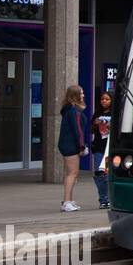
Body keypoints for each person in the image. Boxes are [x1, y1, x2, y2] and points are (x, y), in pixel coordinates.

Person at [57, 84, 90, 212]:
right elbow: (78, 131)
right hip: (71, 146)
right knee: (72, 174)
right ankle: (66, 202)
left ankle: (69, 201)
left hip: (67, 145)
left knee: (71, 174)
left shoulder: (69, 110)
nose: (83, 95)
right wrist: (82, 146)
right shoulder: (74, 112)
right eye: (81, 93)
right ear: (75, 96)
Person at [90, 90, 113, 209]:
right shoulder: (97, 113)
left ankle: (107, 199)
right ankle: (103, 199)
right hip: (99, 146)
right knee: (99, 173)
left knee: (106, 173)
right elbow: (91, 129)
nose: (104, 101)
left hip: (109, 147)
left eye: (107, 99)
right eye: (102, 99)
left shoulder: (116, 113)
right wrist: (95, 123)